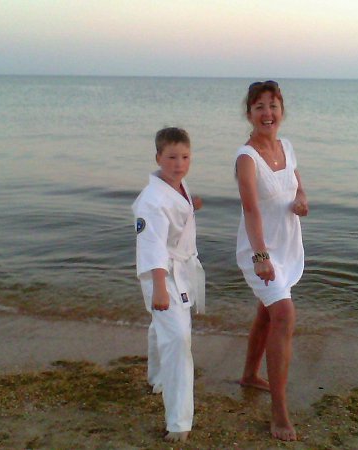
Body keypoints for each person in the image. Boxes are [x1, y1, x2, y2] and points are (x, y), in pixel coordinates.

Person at [235, 80, 309, 441]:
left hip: (288, 245)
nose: (268, 113)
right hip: (260, 249)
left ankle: (250, 375)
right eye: (259, 106)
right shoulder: (246, 159)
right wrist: (261, 256)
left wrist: (301, 200)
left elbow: (296, 183)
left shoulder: (286, 147)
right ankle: (279, 413)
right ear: (249, 113)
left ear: (282, 111)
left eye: (273, 105)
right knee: (283, 314)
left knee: (266, 313)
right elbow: (251, 210)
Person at [132, 126, 205, 443]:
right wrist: (160, 288)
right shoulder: (152, 201)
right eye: (172, 157)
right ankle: (178, 422)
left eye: (185, 157)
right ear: (158, 157)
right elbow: (152, 247)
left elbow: (177, 210)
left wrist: (191, 205)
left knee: (161, 327)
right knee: (177, 339)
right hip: (160, 274)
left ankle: (156, 378)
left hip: (181, 270)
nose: (179, 164)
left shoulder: (177, 186)